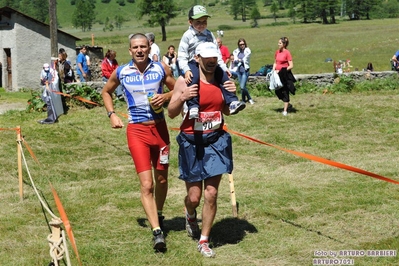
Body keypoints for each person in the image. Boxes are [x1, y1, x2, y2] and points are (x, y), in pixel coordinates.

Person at [101, 33, 176, 252]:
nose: (140, 50)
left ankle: (158, 214)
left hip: (160, 129)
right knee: (147, 184)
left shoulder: (161, 68)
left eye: (143, 46)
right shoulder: (122, 71)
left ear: (149, 46)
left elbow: (176, 88)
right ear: (130, 50)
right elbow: (106, 91)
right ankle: (157, 232)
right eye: (136, 47)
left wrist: (166, 97)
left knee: (161, 180)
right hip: (137, 131)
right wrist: (112, 114)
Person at [168, 42, 237, 258]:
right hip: (192, 142)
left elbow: (225, 110)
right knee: (195, 196)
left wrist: (231, 94)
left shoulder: (221, 78)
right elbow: (171, 112)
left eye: (214, 59)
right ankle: (190, 214)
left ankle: (204, 240)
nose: (210, 63)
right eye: (206, 59)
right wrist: (183, 96)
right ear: (197, 58)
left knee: (212, 193)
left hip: (215, 141)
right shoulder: (185, 80)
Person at [177, 5, 245, 120]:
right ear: (190, 22)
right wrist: (186, 70)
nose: (201, 25)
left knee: (223, 78)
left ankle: (232, 102)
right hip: (193, 62)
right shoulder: (187, 36)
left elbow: (217, 53)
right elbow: (182, 55)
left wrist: (224, 67)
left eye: (204, 22)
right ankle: (193, 106)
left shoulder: (209, 34)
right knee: (193, 78)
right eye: (198, 22)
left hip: (211, 61)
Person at [272, 36, 296, 116]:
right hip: (277, 74)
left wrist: (283, 71)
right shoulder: (277, 52)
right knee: (277, 90)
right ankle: (288, 104)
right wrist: (273, 70)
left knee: (285, 91)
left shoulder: (287, 53)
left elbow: (291, 65)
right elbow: (275, 62)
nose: (278, 44)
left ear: (284, 44)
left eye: (280, 43)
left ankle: (285, 110)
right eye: (278, 43)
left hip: (284, 75)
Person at [232, 38, 254, 105]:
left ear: (245, 44)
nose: (242, 45)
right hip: (239, 71)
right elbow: (234, 61)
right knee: (242, 87)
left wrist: (239, 60)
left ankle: (249, 98)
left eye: (243, 44)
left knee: (242, 86)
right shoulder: (236, 51)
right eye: (240, 44)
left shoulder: (247, 50)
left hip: (245, 71)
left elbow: (245, 59)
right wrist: (237, 60)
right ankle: (244, 100)